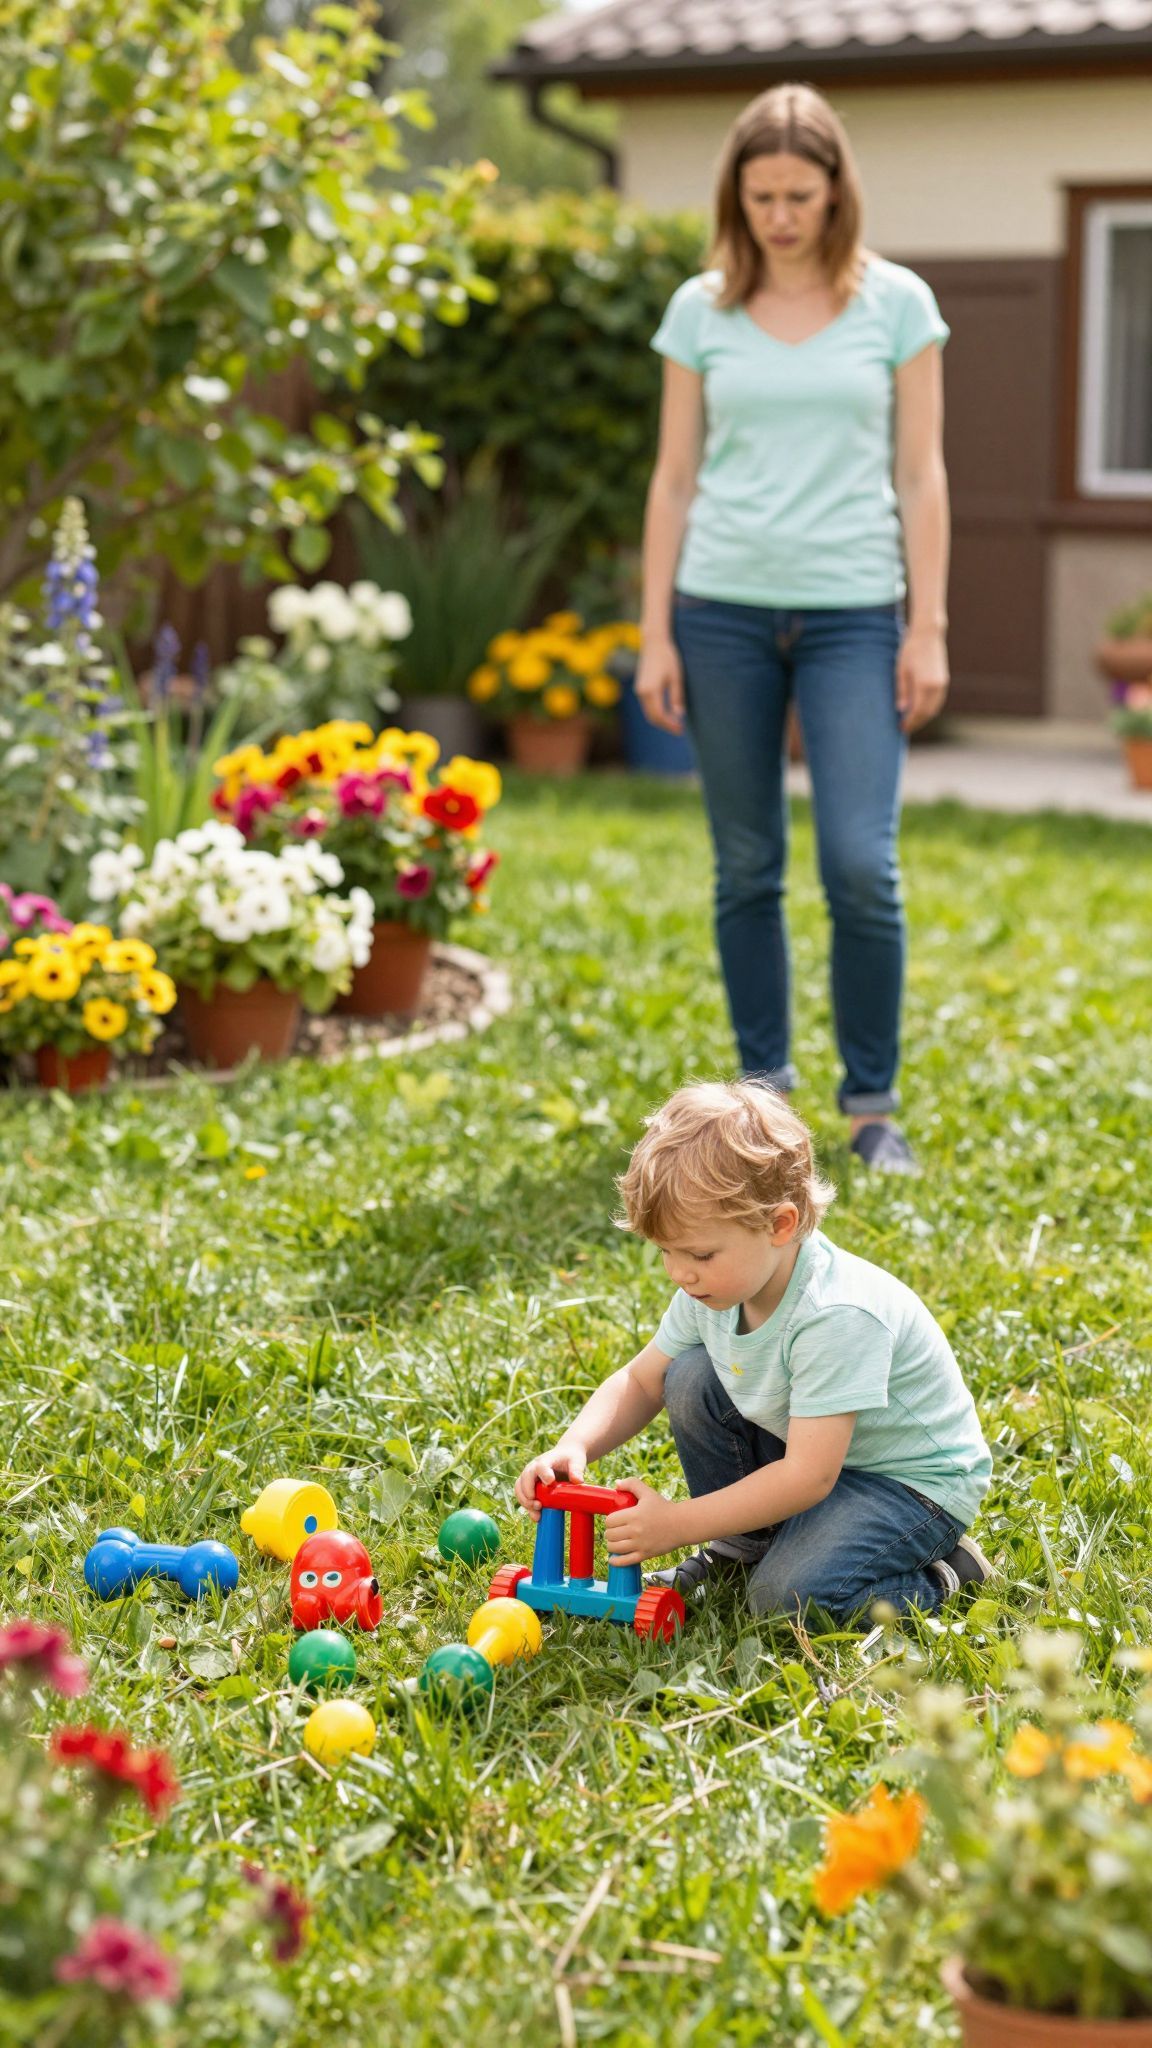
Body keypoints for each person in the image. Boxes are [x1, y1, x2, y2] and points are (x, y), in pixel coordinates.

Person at [636, 84, 952, 1174]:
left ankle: (871, 1106)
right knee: (747, 863)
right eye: (761, 195)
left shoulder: (897, 305)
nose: (779, 215)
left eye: (799, 195)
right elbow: (673, 479)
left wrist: (930, 625)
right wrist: (654, 632)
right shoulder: (701, 309)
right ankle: (764, 1104)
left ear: (835, 192)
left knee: (862, 862)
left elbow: (921, 473)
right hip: (718, 610)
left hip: (855, 614)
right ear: (738, 195)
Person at [514, 1081, 992, 1621]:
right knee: (689, 1376)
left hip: (908, 1487)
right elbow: (642, 1380)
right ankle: (741, 1548)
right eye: (665, 1251)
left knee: (785, 1601)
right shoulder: (714, 1289)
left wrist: (679, 1523)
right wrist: (573, 1446)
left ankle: (948, 1572)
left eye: (698, 1252)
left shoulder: (834, 1315)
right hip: (817, 1452)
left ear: (779, 1225)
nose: (678, 1272)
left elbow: (809, 1477)